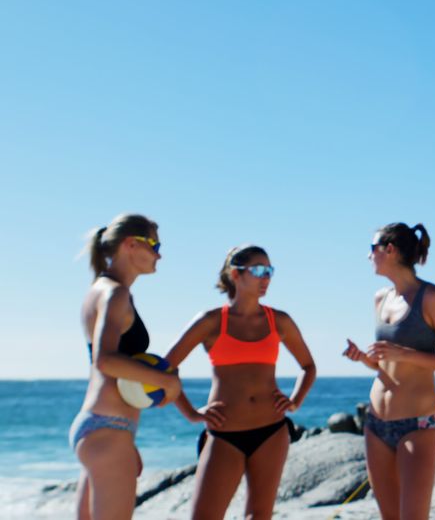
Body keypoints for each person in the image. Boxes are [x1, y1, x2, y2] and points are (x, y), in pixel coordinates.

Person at [165, 244, 316, 520]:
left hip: (272, 431)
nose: (266, 278)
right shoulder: (211, 321)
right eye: (259, 270)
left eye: (270, 271)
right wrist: (191, 413)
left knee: (259, 515)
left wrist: (295, 401)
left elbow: (308, 366)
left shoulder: (279, 320)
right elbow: (166, 369)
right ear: (235, 274)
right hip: (224, 433)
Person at [343, 222, 435, 520]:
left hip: (417, 424)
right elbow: (387, 363)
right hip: (375, 422)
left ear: (390, 249)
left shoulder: (432, 297)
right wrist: (363, 358)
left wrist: (404, 354)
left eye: (372, 249)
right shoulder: (380, 298)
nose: (368, 256)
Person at [73, 213, 181, 520]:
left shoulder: (100, 289)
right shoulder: (115, 293)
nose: (159, 254)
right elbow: (105, 360)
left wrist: (126, 442)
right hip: (109, 429)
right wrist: (168, 383)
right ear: (130, 245)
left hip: (98, 427)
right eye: (154, 245)